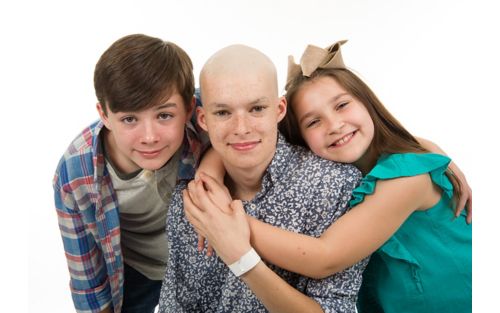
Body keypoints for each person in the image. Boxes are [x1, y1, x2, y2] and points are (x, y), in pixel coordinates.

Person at [185, 41, 472, 313]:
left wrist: (225, 222)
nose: (334, 125)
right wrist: (210, 169)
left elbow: (325, 258)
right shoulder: (333, 174)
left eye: (342, 105)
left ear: (367, 102)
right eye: (313, 121)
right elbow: (243, 133)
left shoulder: (408, 179)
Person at [158, 44, 368, 313]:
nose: (242, 128)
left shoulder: (334, 186)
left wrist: (241, 257)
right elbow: (175, 306)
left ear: (279, 109)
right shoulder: (189, 200)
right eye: (223, 113)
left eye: (256, 108)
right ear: (203, 119)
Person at [52, 34, 206, 313]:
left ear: (189, 108)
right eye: (129, 119)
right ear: (104, 114)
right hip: (138, 271)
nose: (149, 137)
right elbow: (87, 277)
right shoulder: (75, 173)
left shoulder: (213, 113)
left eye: (164, 116)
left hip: (205, 262)